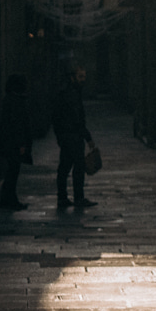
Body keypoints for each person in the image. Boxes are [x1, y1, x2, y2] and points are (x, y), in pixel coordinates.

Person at [51, 64, 96, 209]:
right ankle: (78, 198)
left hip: (66, 136)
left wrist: (59, 136)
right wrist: (87, 138)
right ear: (72, 77)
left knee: (64, 167)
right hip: (73, 136)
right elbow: (77, 119)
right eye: (80, 76)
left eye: (84, 76)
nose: (83, 79)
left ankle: (62, 198)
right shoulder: (71, 94)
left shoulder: (67, 91)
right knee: (77, 167)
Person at [0, 73, 32, 210]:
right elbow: (16, 125)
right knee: (12, 172)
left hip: (9, 144)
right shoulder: (14, 101)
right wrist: (21, 144)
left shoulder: (11, 99)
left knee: (12, 172)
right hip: (13, 145)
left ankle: (9, 200)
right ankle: (8, 201)